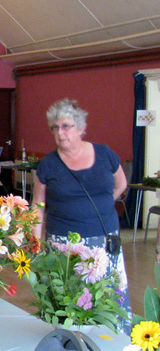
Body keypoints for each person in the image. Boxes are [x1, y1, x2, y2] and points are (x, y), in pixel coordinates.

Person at [31, 98, 131, 317]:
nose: (60, 132)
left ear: (81, 128)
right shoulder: (48, 164)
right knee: (69, 303)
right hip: (64, 245)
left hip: (103, 241)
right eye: (55, 128)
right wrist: (35, 246)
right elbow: (37, 206)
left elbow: (121, 183)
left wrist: (99, 205)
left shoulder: (104, 154)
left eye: (66, 126)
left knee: (107, 303)